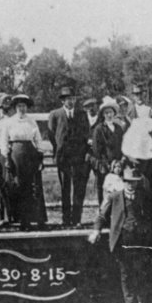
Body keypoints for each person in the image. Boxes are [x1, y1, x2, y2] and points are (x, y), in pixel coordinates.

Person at [89, 165, 152, 303]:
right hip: (122, 239)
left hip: (140, 239)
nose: (131, 185)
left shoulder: (144, 196)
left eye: (134, 182)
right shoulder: (114, 197)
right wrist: (96, 230)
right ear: (123, 182)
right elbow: (101, 215)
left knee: (141, 271)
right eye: (128, 182)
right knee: (126, 272)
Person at [0, 93, 47, 231]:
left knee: (33, 187)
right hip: (16, 155)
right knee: (19, 186)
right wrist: (7, 158)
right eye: (19, 106)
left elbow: (38, 139)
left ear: (27, 107)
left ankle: (35, 219)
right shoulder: (9, 122)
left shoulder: (31, 121)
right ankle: (21, 220)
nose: (22, 109)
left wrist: (40, 156)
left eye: (24, 106)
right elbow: (4, 141)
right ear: (15, 107)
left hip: (30, 154)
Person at [47, 86, 91, 226]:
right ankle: (66, 219)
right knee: (65, 188)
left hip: (79, 156)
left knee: (79, 188)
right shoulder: (55, 114)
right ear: (63, 101)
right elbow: (51, 135)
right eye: (67, 99)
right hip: (63, 157)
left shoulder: (82, 114)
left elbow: (86, 133)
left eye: (73, 99)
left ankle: (76, 219)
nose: (70, 101)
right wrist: (58, 150)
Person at [90, 98, 126, 205]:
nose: (109, 115)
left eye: (110, 112)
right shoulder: (99, 129)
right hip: (105, 165)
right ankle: (104, 215)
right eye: (106, 113)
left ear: (114, 113)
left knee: (119, 188)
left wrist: (120, 162)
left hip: (118, 165)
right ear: (103, 115)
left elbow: (123, 145)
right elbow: (97, 150)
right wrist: (107, 164)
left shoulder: (119, 128)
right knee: (105, 190)